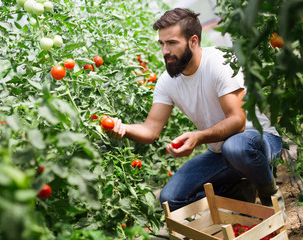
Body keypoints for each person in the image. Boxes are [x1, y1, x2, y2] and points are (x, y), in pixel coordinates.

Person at [107, 8, 284, 214]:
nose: (165, 51)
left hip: (259, 143)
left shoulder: (220, 62)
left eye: (172, 43)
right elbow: (151, 130)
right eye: (162, 44)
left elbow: (238, 122)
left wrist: (198, 137)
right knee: (171, 199)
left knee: (236, 147)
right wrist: (122, 128)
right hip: (221, 154)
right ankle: (238, 190)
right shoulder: (167, 82)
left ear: (193, 41)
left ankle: (269, 194)